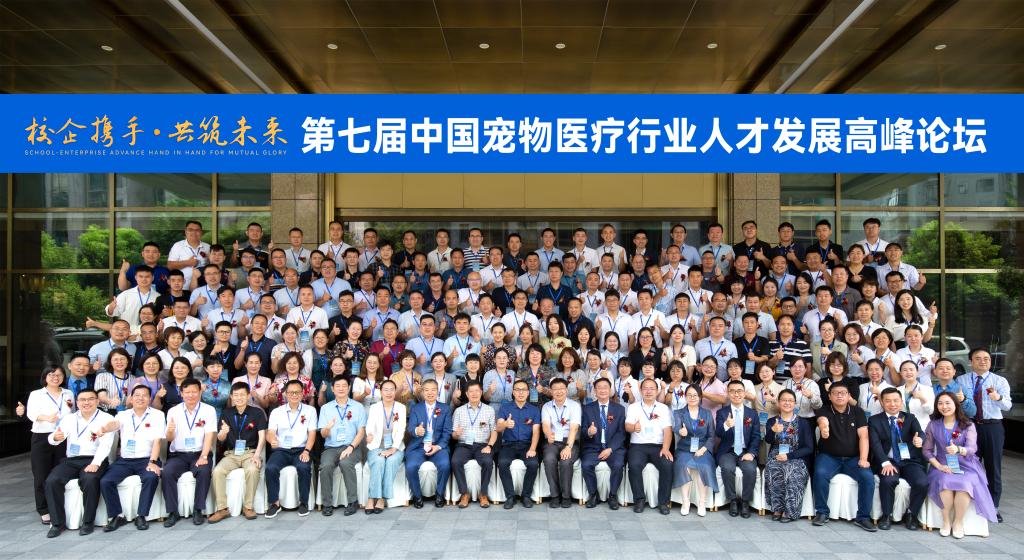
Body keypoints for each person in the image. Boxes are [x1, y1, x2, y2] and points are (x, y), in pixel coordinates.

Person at [924, 392, 999, 536]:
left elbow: (972, 448)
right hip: (942, 464)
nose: (944, 406)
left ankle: (958, 522)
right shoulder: (933, 425)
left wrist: (959, 449)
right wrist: (939, 466)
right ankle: (946, 521)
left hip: (966, 465)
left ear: (956, 404)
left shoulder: (968, 425)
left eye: (948, 403)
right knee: (944, 480)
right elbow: (927, 450)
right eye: (940, 403)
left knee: (965, 483)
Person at [44, 389, 114, 538]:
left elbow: (106, 445)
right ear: (77, 402)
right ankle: (57, 523)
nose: (86, 402)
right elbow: (54, 438)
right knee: (52, 481)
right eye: (82, 400)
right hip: (72, 460)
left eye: (90, 399)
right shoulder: (69, 419)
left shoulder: (106, 418)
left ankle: (88, 522)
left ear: (97, 401)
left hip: (95, 458)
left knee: (89, 479)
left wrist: (95, 463)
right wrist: (55, 438)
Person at [97, 385, 166, 531]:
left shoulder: (158, 415)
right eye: (137, 395)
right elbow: (115, 425)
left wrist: (153, 462)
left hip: (147, 458)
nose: (140, 398)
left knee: (151, 477)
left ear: (150, 398)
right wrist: (105, 428)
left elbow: (157, 441)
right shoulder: (123, 415)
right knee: (106, 481)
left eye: (144, 395)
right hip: (125, 460)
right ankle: (116, 516)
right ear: (131, 398)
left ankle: (141, 516)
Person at [812, 383, 876, 532]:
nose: (839, 395)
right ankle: (822, 512)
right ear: (829, 396)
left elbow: (864, 436)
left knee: (867, 477)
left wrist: (864, 458)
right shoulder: (824, 410)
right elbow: (822, 420)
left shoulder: (858, 412)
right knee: (820, 473)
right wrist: (824, 428)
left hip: (853, 458)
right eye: (835, 393)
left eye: (843, 393)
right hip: (829, 456)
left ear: (848, 396)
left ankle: (863, 517)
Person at [955, 348, 1010, 521]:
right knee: (968, 465)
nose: (982, 361)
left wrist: (998, 398)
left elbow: (1008, 406)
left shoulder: (999, 381)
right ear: (970, 361)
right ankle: (970, 504)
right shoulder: (961, 380)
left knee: (993, 467)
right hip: (969, 426)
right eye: (978, 358)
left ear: (990, 362)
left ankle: (993, 507)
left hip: (992, 427)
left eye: (986, 358)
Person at [868, 387, 928, 530]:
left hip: (909, 461)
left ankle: (912, 514)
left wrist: (920, 439)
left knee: (922, 482)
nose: (892, 404)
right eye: (888, 401)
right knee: (889, 480)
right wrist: (885, 462)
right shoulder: (874, 420)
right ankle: (886, 515)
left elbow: (920, 433)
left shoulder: (910, 418)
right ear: (882, 402)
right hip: (888, 460)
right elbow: (875, 444)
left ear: (901, 402)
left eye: (896, 400)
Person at [208, 382, 267, 523]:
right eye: (236, 395)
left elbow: (262, 436)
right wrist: (223, 433)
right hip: (231, 454)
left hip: (250, 452)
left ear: (248, 395)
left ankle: (248, 507)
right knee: (217, 471)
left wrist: (257, 455)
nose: (239, 398)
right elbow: (220, 439)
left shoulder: (257, 413)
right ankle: (222, 508)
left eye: (242, 395)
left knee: (252, 470)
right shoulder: (226, 413)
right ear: (231, 397)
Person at [161, 378, 217, 527]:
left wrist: (204, 456)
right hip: (178, 455)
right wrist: (170, 432)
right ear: (181, 393)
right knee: (167, 472)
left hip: (200, 452)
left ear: (200, 392)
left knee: (203, 471)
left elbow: (209, 435)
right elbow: (169, 439)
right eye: (187, 392)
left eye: (194, 392)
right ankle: (172, 512)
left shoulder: (208, 410)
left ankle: (198, 509)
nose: (191, 395)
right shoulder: (173, 411)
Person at [25, 365, 75, 525]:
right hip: (42, 437)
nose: (55, 377)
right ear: (45, 377)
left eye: (59, 375)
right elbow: (31, 414)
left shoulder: (68, 393)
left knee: (60, 472)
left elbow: (73, 414)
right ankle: (43, 509)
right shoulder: (36, 394)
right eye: (51, 374)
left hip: (63, 437)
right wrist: (47, 418)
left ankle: (59, 505)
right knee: (41, 474)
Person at [264, 379, 317, 518]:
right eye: (291, 392)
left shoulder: (310, 411)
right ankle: (274, 503)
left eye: (297, 392)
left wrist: (307, 451)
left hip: (301, 449)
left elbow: (312, 433)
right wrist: (272, 440)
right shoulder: (277, 412)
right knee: (270, 468)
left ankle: (303, 503)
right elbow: (270, 432)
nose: (294, 395)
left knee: (304, 467)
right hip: (281, 450)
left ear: (303, 394)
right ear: (285, 394)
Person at [317, 375, 366, 516]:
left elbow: (361, 432)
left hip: (352, 446)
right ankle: (327, 503)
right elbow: (323, 434)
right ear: (332, 389)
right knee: (325, 466)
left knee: (345, 463)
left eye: (344, 386)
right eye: (337, 386)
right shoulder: (326, 408)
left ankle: (352, 501)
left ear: (349, 388)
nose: (341, 389)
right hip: (331, 447)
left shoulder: (358, 407)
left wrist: (351, 447)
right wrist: (327, 428)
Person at [763, 389, 813, 522]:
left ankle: (790, 511)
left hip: (796, 455)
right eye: (784, 400)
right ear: (779, 403)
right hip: (776, 454)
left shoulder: (803, 422)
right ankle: (777, 508)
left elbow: (809, 448)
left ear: (795, 403)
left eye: (790, 400)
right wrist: (773, 431)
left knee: (793, 471)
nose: (787, 403)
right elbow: (768, 440)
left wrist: (789, 456)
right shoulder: (772, 421)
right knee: (774, 468)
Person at [625, 378, 674, 515]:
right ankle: (639, 500)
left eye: (652, 388)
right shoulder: (633, 407)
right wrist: (634, 427)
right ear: (640, 391)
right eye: (645, 388)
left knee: (667, 464)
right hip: (638, 446)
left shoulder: (663, 408)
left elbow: (668, 430)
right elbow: (627, 426)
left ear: (657, 391)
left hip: (658, 446)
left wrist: (665, 448)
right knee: (634, 465)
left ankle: (663, 502)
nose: (648, 391)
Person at [404, 378, 453, 509]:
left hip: (437, 446)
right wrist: (417, 430)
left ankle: (439, 495)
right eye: (426, 390)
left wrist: (438, 447)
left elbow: (447, 432)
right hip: (418, 446)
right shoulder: (416, 408)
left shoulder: (445, 408)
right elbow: (410, 428)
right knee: (410, 466)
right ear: (422, 392)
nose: (430, 393)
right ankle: (417, 496)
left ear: (438, 391)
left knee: (445, 465)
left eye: (433, 390)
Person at [715, 379, 761, 518]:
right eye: (732, 391)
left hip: (746, 451)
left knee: (750, 469)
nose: (736, 394)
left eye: (739, 391)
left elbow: (756, 436)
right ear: (728, 394)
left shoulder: (752, 414)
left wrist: (751, 453)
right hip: (728, 451)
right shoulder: (722, 413)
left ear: (744, 393)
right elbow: (718, 433)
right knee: (727, 468)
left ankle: (745, 502)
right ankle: (733, 500)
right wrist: (726, 425)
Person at [672, 384, 716, 517]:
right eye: (689, 395)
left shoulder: (707, 414)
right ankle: (685, 501)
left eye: (695, 395)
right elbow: (676, 428)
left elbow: (711, 436)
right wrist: (681, 431)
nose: (692, 398)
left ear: (700, 397)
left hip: (702, 448)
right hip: (685, 448)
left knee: (705, 465)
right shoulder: (679, 413)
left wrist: (703, 449)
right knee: (682, 465)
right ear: (685, 397)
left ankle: (701, 502)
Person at [451, 381, 497, 508]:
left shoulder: (489, 410)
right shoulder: (459, 411)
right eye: (471, 391)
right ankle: (464, 494)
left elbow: (494, 431)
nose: (474, 394)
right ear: (466, 394)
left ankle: (483, 494)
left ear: (481, 392)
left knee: (488, 461)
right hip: (464, 445)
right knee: (455, 461)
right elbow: (453, 435)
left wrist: (489, 446)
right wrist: (456, 434)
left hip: (482, 445)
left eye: (477, 391)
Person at [364, 380, 406, 514]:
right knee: (379, 461)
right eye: (385, 390)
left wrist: (393, 448)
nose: (389, 393)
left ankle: (381, 498)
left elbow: (401, 430)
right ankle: (372, 497)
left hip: (396, 447)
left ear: (395, 391)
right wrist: (369, 435)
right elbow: (370, 426)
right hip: (377, 445)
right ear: (380, 392)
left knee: (391, 461)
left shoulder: (401, 408)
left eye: (392, 389)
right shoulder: (375, 407)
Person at [540, 378, 580, 508]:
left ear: (566, 390)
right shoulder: (546, 406)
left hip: (570, 441)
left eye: (561, 389)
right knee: (549, 459)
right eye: (555, 389)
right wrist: (548, 434)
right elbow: (546, 425)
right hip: (552, 442)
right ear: (551, 391)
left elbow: (574, 428)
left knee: (566, 461)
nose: (558, 392)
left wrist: (568, 447)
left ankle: (566, 496)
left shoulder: (574, 406)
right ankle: (555, 496)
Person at [896, 360, 935, 431]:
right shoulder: (896, 390)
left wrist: (922, 398)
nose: (908, 372)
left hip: (922, 428)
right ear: (901, 373)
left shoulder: (927, 389)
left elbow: (930, 411)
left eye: (911, 369)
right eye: (905, 370)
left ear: (917, 372)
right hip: (902, 427)